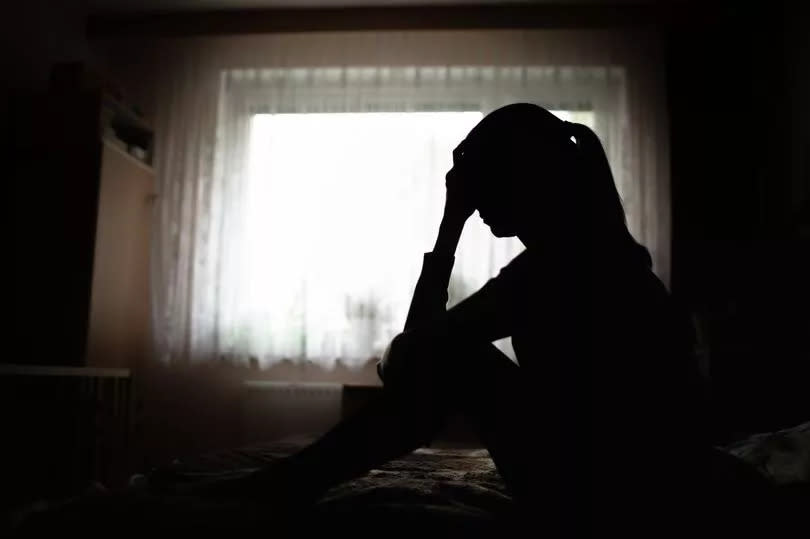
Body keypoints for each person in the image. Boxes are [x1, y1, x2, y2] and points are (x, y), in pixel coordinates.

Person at [192, 103, 709, 535]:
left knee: (458, 358)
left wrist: (450, 225)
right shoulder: (589, 251)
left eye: (481, 182)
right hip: (620, 479)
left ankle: (283, 487)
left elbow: (416, 351)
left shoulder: (564, 263)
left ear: (522, 179)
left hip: (607, 496)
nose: (473, 197)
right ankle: (287, 484)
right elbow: (422, 353)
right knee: (454, 356)